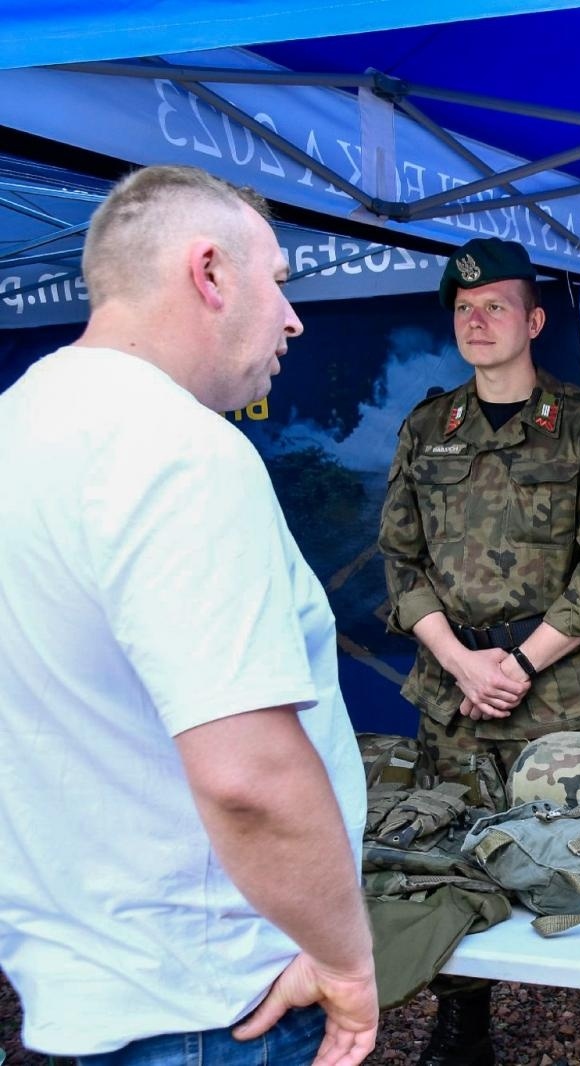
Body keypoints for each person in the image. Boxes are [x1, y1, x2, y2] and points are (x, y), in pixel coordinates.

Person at [0, 165, 375, 1065]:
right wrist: (349, 965)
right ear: (210, 273)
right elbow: (247, 777)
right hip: (211, 1003)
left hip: (80, 989)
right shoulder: (181, 452)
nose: (292, 318)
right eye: (280, 281)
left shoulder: (19, 427)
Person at [378, 236, 580, 1065]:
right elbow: (400, 558)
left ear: (534, 319)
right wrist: (462, 662)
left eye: (496, 305)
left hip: (557, 696)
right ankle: (464, 1027)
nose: (478, 320)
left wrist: (520, 664)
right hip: (454, 692)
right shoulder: (429, 425)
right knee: (452, 856)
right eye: (463, 309)